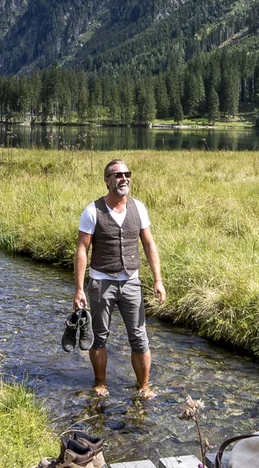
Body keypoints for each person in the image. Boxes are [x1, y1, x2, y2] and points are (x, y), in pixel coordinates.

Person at [72, 158, 167, 398]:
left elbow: (148, 243)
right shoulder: (92, 211)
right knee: (99, 336)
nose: (124, 178)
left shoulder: (139, 208)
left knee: (139, 336)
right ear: (107, 181)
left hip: (131, 282)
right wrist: (79, 289)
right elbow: (82, 249)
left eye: (127, 174)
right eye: (117, 175)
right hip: (101, 282)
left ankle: (143, 386)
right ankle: (100, 383)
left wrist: (158, 280)